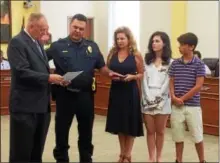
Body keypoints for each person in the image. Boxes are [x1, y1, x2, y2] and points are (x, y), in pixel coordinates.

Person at [46, 13, 123, 163]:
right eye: (75, 27)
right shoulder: (57, 46)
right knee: (61, 130)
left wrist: (110, 73)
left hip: (86, 96)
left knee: (86, 131)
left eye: (81, 28)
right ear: (70, 26)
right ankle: (62, 159)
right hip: (64, 95)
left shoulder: (92, 47)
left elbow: (101, 67)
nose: (77, 31)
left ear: (85, 29)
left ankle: (86, 158)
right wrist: (50, 78)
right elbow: (40, 60)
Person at [7, 13, 64, 163]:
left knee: (36, 151)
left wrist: (54, 79)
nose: (45, 34)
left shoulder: (37, 43)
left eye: (47, 30)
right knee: (22, 152)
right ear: (31, 26)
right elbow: (21, 72)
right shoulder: (17, 42)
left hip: (41, 106)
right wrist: (48, 78)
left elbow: (41, 69)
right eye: (42, 30)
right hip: (25, 108)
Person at [105, 26, 144, 163]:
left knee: (130, 124)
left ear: (129, 39)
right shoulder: (112, 54)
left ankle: (128, 155)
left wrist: (133, 77)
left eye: (122, 38)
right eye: (117, 39)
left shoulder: (136, 55)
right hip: (116, 91)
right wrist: (111, 75)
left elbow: (142, 74)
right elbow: (107, 70)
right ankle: (122, 153)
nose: (120, 41)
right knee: (120, 124)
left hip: (131, 92)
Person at [169, 32, 206, 163]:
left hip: (193, 106)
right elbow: (171, 82)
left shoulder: (199, 64)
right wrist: (173, 96)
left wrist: (182, 99)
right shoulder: (174, 64)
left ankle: (202, 160)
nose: (179, 47)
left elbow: (198, 86)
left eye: (182, 45)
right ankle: (178, 160)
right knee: (178, 137)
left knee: (197, 136)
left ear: (191, 46)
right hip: (176, 106)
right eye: (180, 45)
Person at [141, 31, 172, 162]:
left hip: (163, 99)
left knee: (160, 131)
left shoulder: (171, 62)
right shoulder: (146, 61)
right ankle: (151, 157)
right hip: (147, 98)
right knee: (150, 131)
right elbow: (143, 80)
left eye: (157, 41)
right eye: (153, 41)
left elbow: (168, 82)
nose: (154, 43)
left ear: (164, 43)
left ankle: (159, 157)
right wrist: (148, 96)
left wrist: (159, 96)